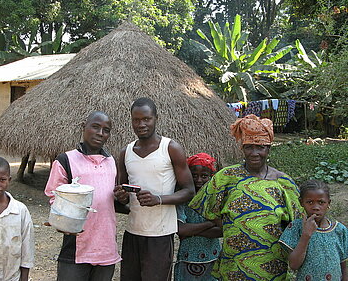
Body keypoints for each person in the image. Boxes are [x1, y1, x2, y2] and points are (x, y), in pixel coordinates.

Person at [189, 114, 302, 280]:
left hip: (272, 266)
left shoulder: (284, 183)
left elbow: (298, 224)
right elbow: (207, 208)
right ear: (242, 148)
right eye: (249, 147)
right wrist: (234, 225)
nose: (254, 153)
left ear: (268, 148)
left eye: (260, 147)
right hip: (234, 265)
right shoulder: (226, 177)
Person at [114, 97, 195, 281]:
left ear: (156, 118)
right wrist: (121, 195)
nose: (141, 124)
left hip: (161, 234)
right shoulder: (125, 152)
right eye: (136, 120)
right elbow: (124, 196)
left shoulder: (171, 148)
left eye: (146, 119)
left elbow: (189, 190)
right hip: (133, 232)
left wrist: (158, 199)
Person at [44, 111, 121, 281]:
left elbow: (111, 199)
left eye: (106, 130)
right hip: (76, 246)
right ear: (83, 127)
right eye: (95, 127)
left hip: (106, 246)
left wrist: (122, 197)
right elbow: (53, 195)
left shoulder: (112, 163)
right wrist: (61, 221)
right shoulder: (66, 160)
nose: (100, 133)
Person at [279, 179, 348, 280]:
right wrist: (306, 236)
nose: (316, 207)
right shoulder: (295, 227)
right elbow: (294, 265)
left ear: (328, 203)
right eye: (310, 202)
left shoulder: (339, 230)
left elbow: (343, 266)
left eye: (321, 202)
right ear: (301, 202)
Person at [174, 153, 222, 281]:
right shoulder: (182, 198)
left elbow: (222, 231)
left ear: (212, 177)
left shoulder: (216, 199)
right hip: (187, 258)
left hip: (214, 259)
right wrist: (211, 223)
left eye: (204, 176)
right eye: (194, 175)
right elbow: (181, 230)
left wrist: (192, 231)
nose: (198, 180)